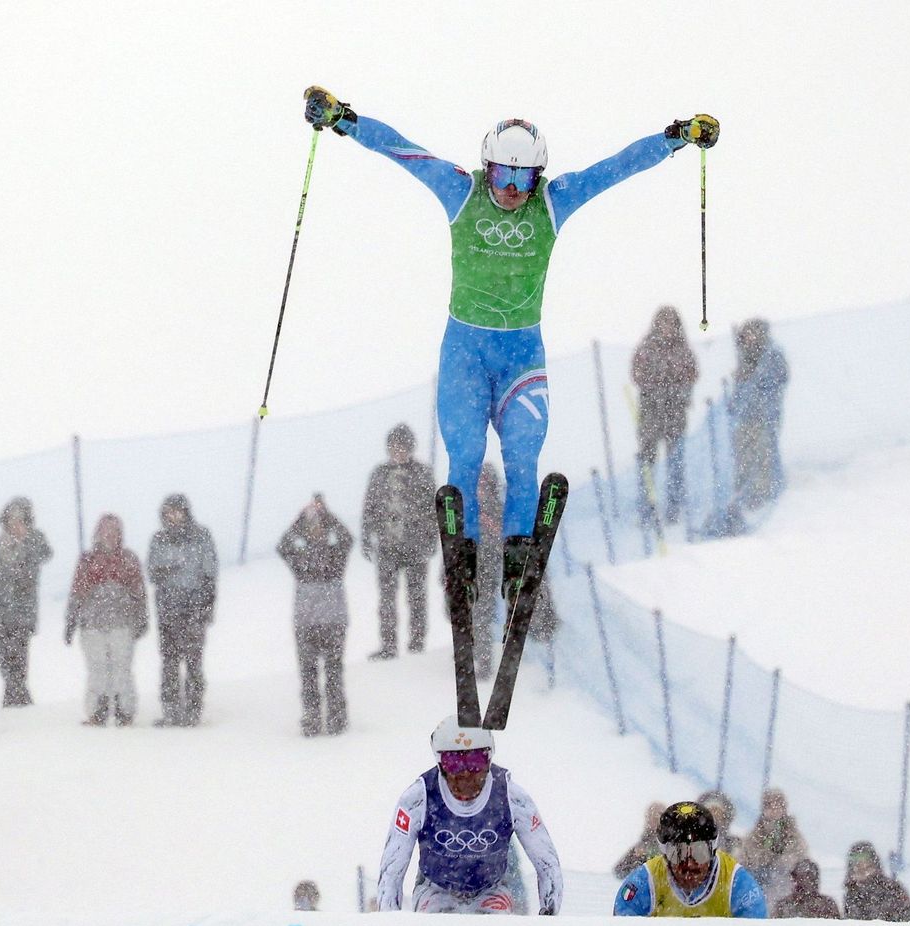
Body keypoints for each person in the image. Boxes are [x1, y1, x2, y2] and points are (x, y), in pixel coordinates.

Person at [301, 87, 718, 610]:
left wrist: (676, 138)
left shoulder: (552, 202)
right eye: (503, 175)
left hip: (521, 356)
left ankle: (519, 558)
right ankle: (465, 559)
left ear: (538, 176)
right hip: (465, 355)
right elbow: (401, 148)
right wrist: (343, 120)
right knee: (467, 457)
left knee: (523, 458)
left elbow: (616, 168)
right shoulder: (460, 192)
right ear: (487, 168)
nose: (513, 189)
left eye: (524, 177)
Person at [377, 716, 562, 915]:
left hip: (491, 889)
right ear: (440, 763)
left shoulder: (511, 796)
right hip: (435, 888)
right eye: (454, 762)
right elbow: (391, 873)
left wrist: (548, 914)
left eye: (475, 761)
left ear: (489, 760)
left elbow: (547, 864)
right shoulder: (417, 799)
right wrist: (390, 925)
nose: (465, 774)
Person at [277, 497, 353, 737]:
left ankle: (336, 717)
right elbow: (283, 545)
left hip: (333, 621)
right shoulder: (299, 558)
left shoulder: (335, 555)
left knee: (333, 672)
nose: (316, 532)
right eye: (311, 528)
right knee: (308, 673)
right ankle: (311, 716)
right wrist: (301, 519)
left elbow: (347, 539)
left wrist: (328, 515)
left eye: (320, 527)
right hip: (306, 622)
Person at [361, 424, 437, 661]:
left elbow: (433, 509)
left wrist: (432, 538)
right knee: (386, 598)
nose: (398, 451)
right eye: (394, 446)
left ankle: (417, 642)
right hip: (387, 546)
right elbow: (370, 508)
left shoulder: (422, 474)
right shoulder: (379, 474)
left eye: (402, 446)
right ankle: (389, 645)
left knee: (416, 597)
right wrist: (366, 536)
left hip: (415, 545)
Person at [613, 801, 767, 918]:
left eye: (700, 852)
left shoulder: (738, 885)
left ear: (712, 850)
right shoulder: (643, 884)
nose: (689, 864)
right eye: (678, 853)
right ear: (665, 853)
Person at [65, 514, 149, 728]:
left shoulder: (128, 559)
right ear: (98, 534)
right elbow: (77, 593)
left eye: (114, 532)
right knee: (97, 669)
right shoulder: (87, 561)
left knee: (122, 668)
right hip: (92, 625)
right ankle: (97, 711)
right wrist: (71, 621)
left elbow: (139, 592)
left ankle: (125, 711)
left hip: (122, 624)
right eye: (105, 532)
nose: (109, 536)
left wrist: (141, 618)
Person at [147, 494, 218, 727]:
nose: (173, 516)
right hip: (167, 609)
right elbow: (153, 571)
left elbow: (209, 573)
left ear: (186, 512)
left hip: (194, 607)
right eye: (168, 512)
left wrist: (206, 608)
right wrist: (166, 569)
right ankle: (170, 710)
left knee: (193, 660)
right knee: (169, 661)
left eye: (177, 511)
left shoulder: (201, 537)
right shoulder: (159, 540)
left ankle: (193, 710)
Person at [630, 305, 699, 526]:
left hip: (675, 415)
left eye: (670, 323)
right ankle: (647, 508)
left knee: (675, 462)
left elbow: (692, 374)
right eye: (663, 323)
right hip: (650, 415)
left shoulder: (683, 349)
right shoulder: (647, 348)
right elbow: (637, 374)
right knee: (647, 463)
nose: (667, 328)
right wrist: (659, 385)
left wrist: (675, 389)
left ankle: (674, 507)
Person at [0, 497, 53, 707]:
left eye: (20, 520)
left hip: (21, 614)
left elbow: (45, 554)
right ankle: (16, 697)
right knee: (3, 659)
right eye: (12, 520)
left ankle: (17, 700)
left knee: (18, 660)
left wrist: (26, 541)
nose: (16, 525)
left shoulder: (34, 540)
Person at [727, 317, 790, 514]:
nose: (749, 337)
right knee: (743, 452)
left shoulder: (772, 355)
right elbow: (739, 387)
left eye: (752, 333)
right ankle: (743, 489)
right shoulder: (744, 357)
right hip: (745, 416)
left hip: (765, 415)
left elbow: (781, 378)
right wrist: (734, 403)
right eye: (747, 334)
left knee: (763, 453)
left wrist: (759, 382)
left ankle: (761, 492)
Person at [736, 788, 809, 910]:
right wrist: (763, 860)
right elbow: (744, 858)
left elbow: (801, 857)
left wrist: (783, 862)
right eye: (770, 806)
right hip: (759, 888)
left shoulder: (793, 834)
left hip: (786, 888)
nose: (774, 810)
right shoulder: (755, 834)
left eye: (778, 805)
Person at [472, 463, 504, 678]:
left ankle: (483, 661)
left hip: (488, 568)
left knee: (482, 611)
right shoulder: (466, 508)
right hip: (467, 567)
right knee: (466, 613)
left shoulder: (498, 509)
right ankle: (472, 649)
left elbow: (503, 539)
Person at [842, 841, 910, 922]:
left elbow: (907, 923)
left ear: (873, 861)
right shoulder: (851, 892)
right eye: (854, 858)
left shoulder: (892, 888)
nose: (859, 863)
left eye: (864, 858)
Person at [613, 802, 667, 880]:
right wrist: (637, 858)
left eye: (658, 816)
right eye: (653, 817)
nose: (656, 820)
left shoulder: (673, 843)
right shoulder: (643, 845)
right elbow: (619, 871)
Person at [773, 859, 842, 919]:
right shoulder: (783, 905)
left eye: (804, 878)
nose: (796, 882)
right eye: (795, 877)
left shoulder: (827, 905)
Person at [696, 789, 744, 857]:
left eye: (718, 814)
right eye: (710, 811)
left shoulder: (731, 846)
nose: (714, 816)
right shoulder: (687, 835)